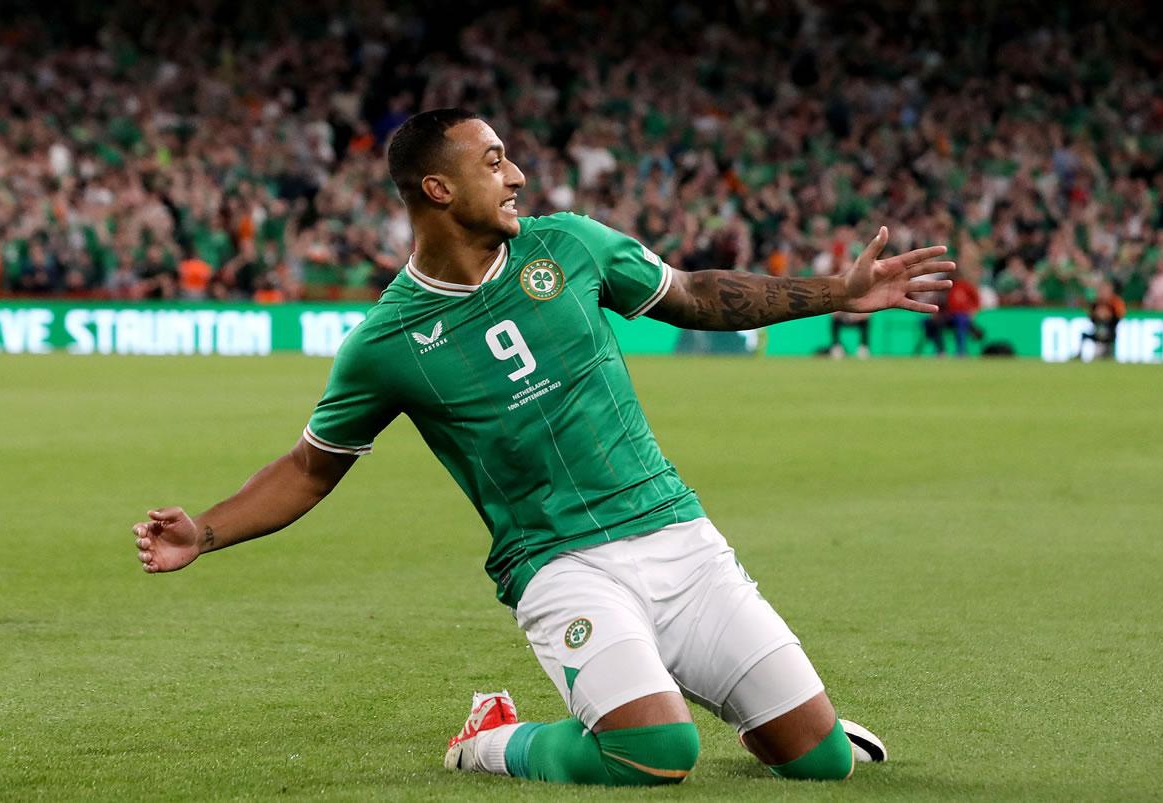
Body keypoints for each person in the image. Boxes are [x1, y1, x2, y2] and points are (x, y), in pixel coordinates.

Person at [132, 109, 954, 788]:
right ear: (438, 187)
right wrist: (203, 531)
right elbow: (311, 468)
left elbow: (696, 295)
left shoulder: (569, 245)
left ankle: (773, 719)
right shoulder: (386, 344)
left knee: (823, 763)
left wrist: (837, 294)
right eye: (495, 161)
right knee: (658, 754)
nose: (517, 174)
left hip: (677, 535)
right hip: (561, 563)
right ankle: (490, 735)